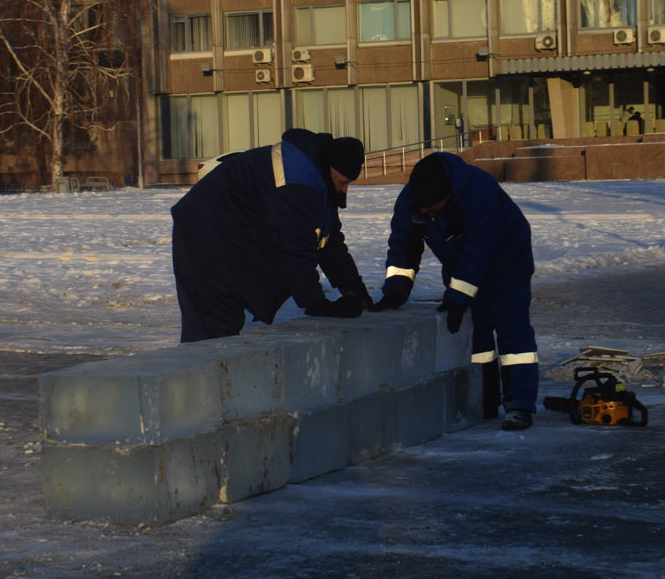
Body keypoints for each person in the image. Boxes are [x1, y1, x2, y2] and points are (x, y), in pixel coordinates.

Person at [371, 152, 539, 430]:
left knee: (513, 333)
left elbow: (479, 249)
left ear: (449, 195)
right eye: (421, 208)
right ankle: (484, 401)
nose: (424, 213)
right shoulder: (412, 199)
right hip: (460, 262)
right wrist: (395, 291)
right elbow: (403, 245)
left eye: (431, 207)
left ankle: (519, 406)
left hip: (508, 260)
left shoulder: (478, 190)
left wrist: (459, 295)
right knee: (476, 334)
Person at [171, 129, 373, 343]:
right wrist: (314, 303)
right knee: (213, 326)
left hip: (226, 234)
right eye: (342, 182)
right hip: (204, 231)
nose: (344, 192)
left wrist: (354, 287)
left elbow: (329, 241)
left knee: (223, 322)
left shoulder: (316, 178)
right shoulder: (297, 181)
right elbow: (293, 246)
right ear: (329, 169)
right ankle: (203, 375)